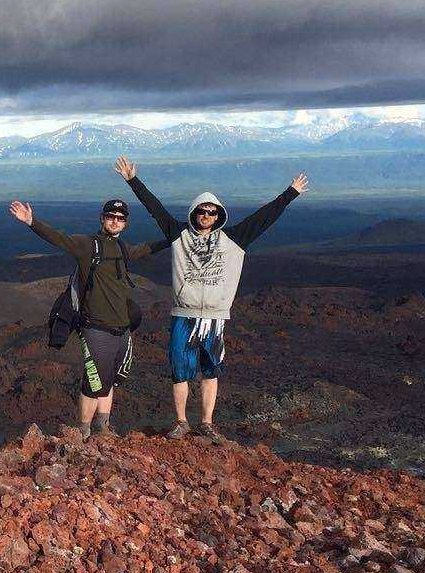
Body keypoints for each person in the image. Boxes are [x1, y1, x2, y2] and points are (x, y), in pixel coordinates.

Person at [114, 156, 308, 442]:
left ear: (218, 216)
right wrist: (133, 180)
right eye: (202, 211)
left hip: (215, 318)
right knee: (179, 371)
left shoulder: (233, 239)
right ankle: (181, 422)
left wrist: (290, 193)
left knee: (210, 370)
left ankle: (206, 423)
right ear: (194, 213)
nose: (206, 215)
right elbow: (155, 208)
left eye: (211, 212)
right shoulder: (179, 234)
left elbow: (264, 217)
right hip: (184, 313)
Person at [8, 195, 169, 440]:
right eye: (111, 217)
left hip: (121, 327)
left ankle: (103, 427)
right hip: (95, 327)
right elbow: (59, 238)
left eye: (120, 218)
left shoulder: (124, 249)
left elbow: (147, 248)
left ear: (125, 223)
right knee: (93, 382)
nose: (115, 221)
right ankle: (83, 432)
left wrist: (176, 237)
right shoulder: (87, 246)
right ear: (102, 218)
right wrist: (32, 221)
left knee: (109, 379)